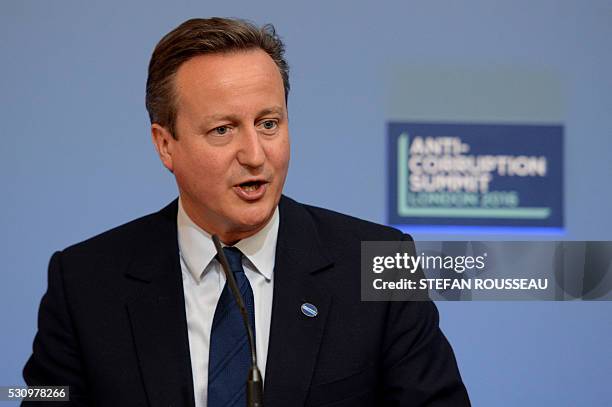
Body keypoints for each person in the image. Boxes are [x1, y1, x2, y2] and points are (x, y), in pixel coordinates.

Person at [23, 17, 470, 406]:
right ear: (165, 144)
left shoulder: (377, 263)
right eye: (223, 129)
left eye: (269, 124)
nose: (255, 154)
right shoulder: (84, 283)